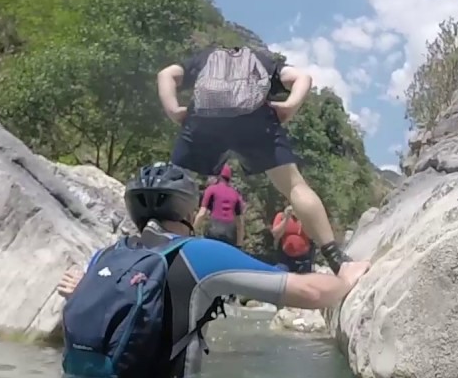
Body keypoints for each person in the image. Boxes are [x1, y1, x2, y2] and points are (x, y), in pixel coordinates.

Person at [57, 161, 365, 378]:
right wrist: (346, 280)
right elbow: (310, 293)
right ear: (188, 211)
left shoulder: (105, 255)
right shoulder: (198, 254)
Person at [155, 46, 369, 277]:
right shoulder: (263, 62)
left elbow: (166, 74)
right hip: (256, 120)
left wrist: (173, 110)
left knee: (172, 184)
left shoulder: (205, 58)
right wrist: (289, 107)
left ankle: (155, 256)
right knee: (294, 185)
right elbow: (303, 78)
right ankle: (338, 261)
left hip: (204, 119)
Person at [194, 163, 245, 248]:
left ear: (218, 176)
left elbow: (202, 214)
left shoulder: (211, 189)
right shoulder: (236, 194)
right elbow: (240, 223)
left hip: (214, 230)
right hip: (230, 234)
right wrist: (239, 244)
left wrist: (192, 231)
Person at [271, 204, 315, 274]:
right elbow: (276, 235)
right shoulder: (281, 216)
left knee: (303, 279)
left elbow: (312, 236)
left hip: (303, 257)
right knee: (282, 275)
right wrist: (286, 219)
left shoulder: (306, 218)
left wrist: (303, 220)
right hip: (285, 258)